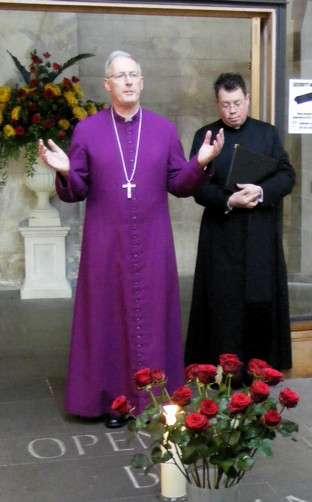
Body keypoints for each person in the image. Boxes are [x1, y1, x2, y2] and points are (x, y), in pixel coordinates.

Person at [38, 51, 224, 426]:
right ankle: (114, 401)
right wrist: (62, 171)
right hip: (105, 244)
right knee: (105, 319)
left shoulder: (163, 129)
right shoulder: (87, 130)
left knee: (154, 315)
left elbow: (178, 184)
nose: (126, 81)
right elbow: (75, 190)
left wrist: (200, 164)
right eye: (118, 76)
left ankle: (157, 399)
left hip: (153, 243)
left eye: (133, 75)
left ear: (141, 82)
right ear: (107, 85)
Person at [185, 72, 295, 376]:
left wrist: (261, 192)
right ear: (216, 104)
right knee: (222, 303)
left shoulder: (267, 134)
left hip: (260, 232)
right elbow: (194, 186)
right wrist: (228, 200)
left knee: (260, 301)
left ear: (247, 99)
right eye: (225, 105)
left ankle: (259, 371)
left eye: (237, 103)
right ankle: (220, 371)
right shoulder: (204, 136)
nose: (232, 111)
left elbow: (287, 176)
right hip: (221, 234)